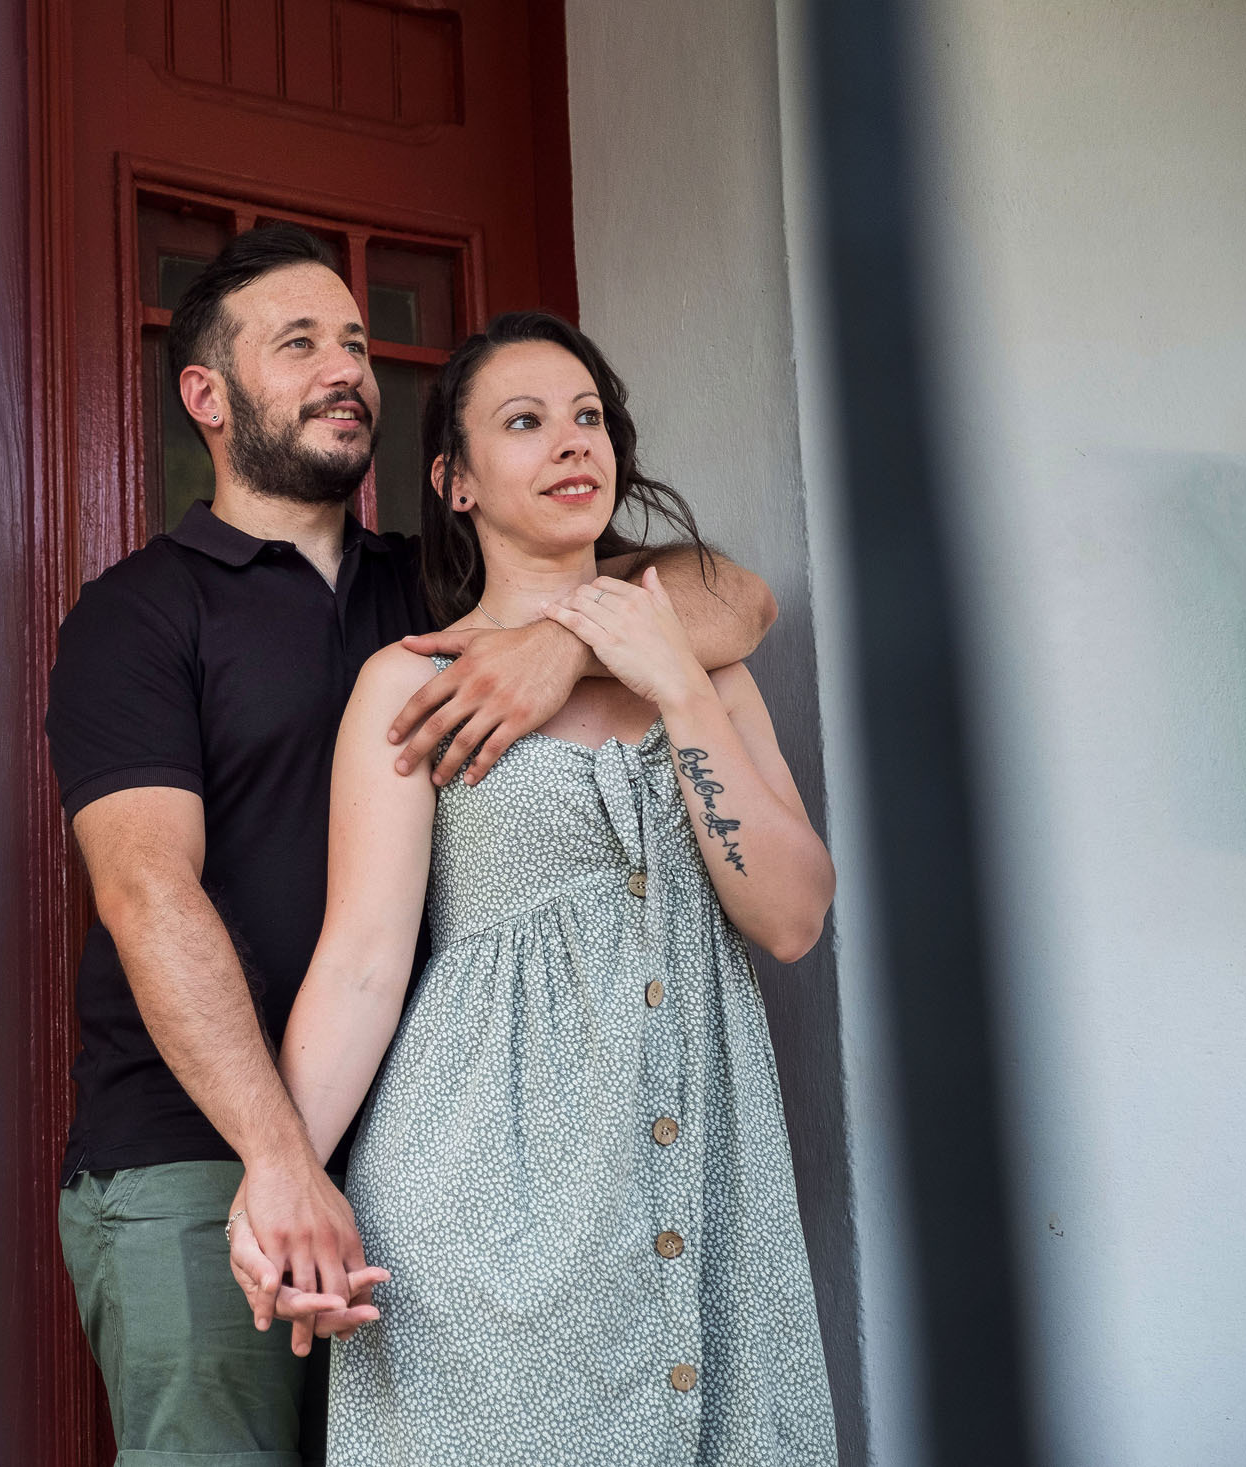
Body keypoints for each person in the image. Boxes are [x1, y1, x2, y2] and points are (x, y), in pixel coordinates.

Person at [45, 225, 779, 1465]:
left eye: (353, 340)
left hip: (426, 1175)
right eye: (298, 345)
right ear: (207, 400)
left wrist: (565, 644)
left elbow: (732, 595)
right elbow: (145, 892)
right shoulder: (140, 611)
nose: (345, 367)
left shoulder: (435, 594)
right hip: (200, 1158)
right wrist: (279, 1161)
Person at [226, 311, 840, 1464]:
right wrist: (283, 1177)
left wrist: (674, 680)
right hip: (480, 1202)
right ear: (452, 481)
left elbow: (792, 916)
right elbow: (362, 964)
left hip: (707, 1193)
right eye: (525, 422)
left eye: (588, 418)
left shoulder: (700, 657)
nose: (571, 444)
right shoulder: (412, 685)